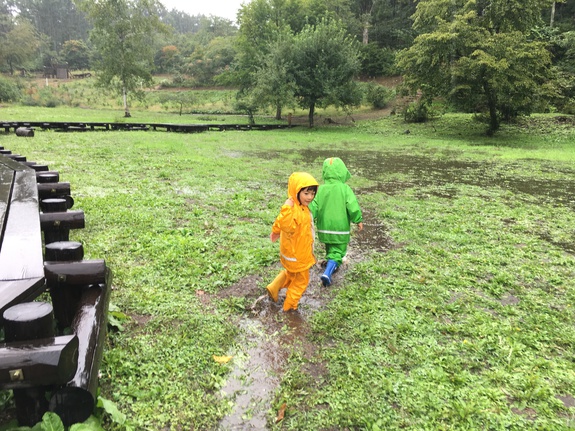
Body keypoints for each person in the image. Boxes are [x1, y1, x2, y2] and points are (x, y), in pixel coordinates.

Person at [266, 172, 319, 312]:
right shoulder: (293, 210)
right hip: (298, 255)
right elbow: (287, 224)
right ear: (296, 191)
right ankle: (290, 307)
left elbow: (279, 221)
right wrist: (286, 208)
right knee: (301, 281)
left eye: (312, 193)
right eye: (306, 193)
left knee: (291, 273)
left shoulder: (298, 207)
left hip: (292, 253)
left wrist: (275, 231)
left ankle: (274, 287)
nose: (310, 197)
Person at [309, 157, 363, 287]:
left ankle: (331, 262)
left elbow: (313, 206)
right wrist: (358, 219)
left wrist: (308, 219)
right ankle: (328, 272)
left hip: (324, 228)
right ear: (342, 171)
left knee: (330, 248)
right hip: (340, 228)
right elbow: (352, 205)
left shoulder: (320, 189)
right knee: (339, 251)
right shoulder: (345, 189)